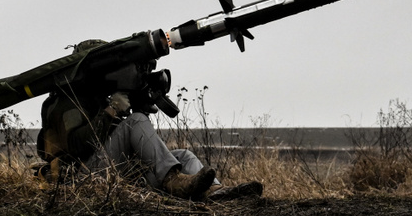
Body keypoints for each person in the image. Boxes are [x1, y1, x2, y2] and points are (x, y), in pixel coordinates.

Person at [36, 40, 262, 202]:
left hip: (106, 172)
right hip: (82, 178)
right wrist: (111, 111)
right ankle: (173, 182)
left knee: (184, 156)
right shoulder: (67, 102)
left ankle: (216, 193)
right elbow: (75, 146)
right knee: (135, 121)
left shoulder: (96, 97)